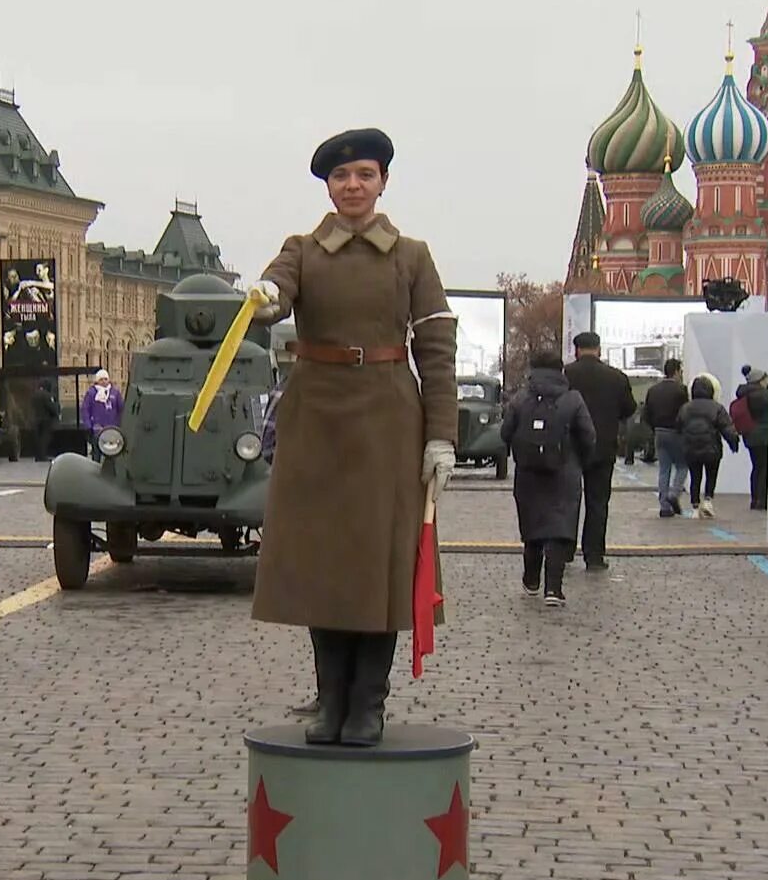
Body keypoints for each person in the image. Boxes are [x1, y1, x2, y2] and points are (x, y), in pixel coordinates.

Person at [245, 126, 457, 747]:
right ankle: (330, 700)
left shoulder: (411, 256)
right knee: (324, 566)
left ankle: (368, 703)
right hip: (317, 421)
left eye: (365, 174)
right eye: (342, 177)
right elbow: (276, 288)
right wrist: (263, 297)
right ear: (329, 188)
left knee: (378, 565)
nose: (353, 186)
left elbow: (437, 348)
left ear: (383, 182)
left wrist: (440, 435)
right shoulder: (303, 249)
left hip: (390, 418)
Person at [503, 349, 594, 605]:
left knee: (533, 525)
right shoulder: (573, 399)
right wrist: (580, 461)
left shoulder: (520, 399)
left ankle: (531, 579)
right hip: (564, 472)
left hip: (529, 474)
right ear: (560, 371)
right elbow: (588, 435)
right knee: (558, 527)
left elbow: (504, 433)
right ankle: (553, 589)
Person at [564, 331, 636, 571]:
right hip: (603, 447)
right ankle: (593, 555)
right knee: (597, 502)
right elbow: (628, 409)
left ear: (577, 350)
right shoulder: (616, 377)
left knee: (567, 500)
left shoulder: (565, 375)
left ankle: (564, 551)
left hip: (570, 447)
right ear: (599, 349)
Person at [678, 375, 740, 519]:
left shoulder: (685, 408)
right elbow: (726, 427)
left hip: (691, 448)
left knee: (695, 476)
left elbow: (678, 425)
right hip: (711, 448)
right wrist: (733, 441)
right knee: (711, 474)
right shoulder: (717, 407)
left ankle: (694, 507)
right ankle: (707, 500)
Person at [641, 358, 690, 517]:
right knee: (682, 466)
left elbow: (645, 413)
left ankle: (664, 506)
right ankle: (673, 494)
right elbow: (685, 413)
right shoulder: (681, 390)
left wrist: (654, 428)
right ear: (676, 371)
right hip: (676, 432)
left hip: (659, 432)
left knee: (664, 469)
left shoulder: (653, 390)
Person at [739, 365, 768, 510]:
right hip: (763, 435)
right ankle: (762, 499)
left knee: (756, 467)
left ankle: (754, 498)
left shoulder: (744, 394)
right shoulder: (765, 395)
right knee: (764, 467)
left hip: (749, 435)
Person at [79, 369, 123, 459]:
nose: (104, 381)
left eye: (105, 379)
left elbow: (121, 409)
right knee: (96, 453)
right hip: (97, 428)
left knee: (112, 454)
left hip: (112, 428)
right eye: (101, 379)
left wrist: (120, 423)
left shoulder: (115, 393)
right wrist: (88, 425)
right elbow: (85, 409)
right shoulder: (91, 393)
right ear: (97, 381)